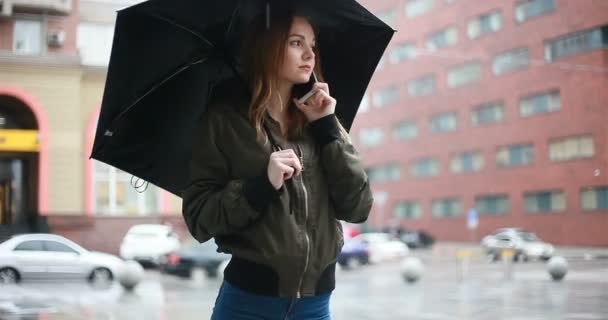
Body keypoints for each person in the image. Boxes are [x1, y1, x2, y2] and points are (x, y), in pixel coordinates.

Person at [182, 10, 373, 320]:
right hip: (247, 305)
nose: (310, 53)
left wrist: (327, 127)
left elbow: (358, 206)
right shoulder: (225, 121)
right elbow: (199, 218)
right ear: (266, 47)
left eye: (312, 43)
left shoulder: (320, 118)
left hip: (315, 306)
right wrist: (261, 185)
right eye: (296, 43)